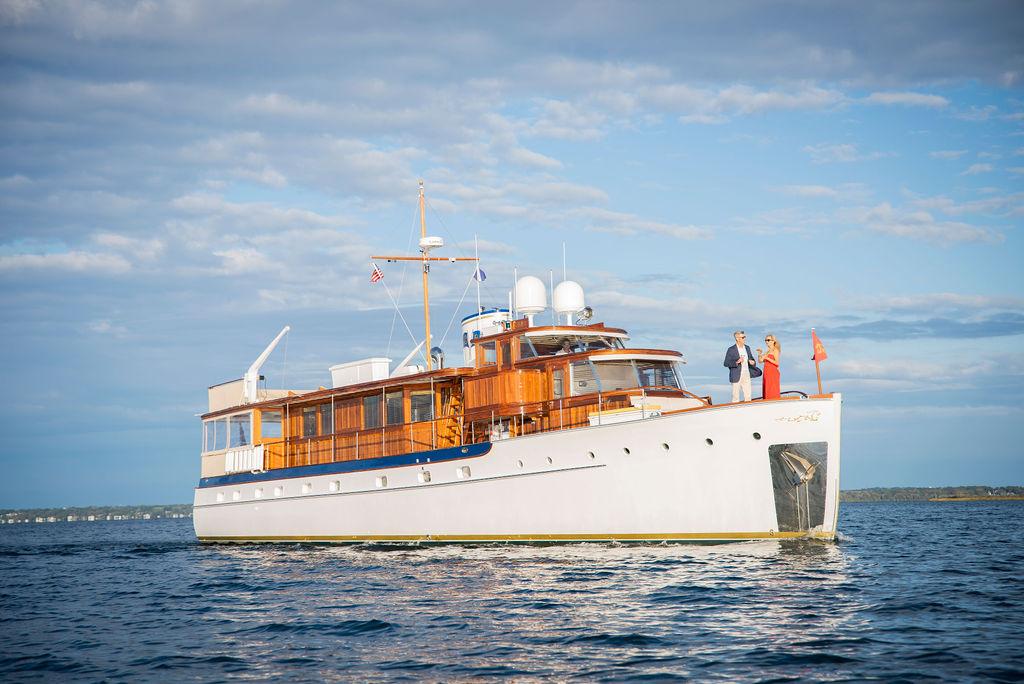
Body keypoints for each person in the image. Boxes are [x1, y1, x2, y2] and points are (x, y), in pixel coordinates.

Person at [723, 331, 760, 402]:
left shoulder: (747, 348)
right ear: (737, 338)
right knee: (735, 397)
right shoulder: (731, 349)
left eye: (744, 337)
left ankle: (748, 411)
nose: (744, 339)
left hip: (747, 374)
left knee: (748, 396)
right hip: (736, 375)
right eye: (743, 337)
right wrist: (737, 362)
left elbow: (751, 359)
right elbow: (726, 363)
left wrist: (752, 362)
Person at [757, 334, 781, 400]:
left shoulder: (775, 350)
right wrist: (759, 354)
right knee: (767, 389)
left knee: (772, 389)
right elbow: (760, 361)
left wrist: (767, 358)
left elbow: (777, 363)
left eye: (768, 340)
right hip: (766, 372)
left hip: (772, 372)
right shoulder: (767, 351)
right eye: (766, 340)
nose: (766, 342)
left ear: (773, 341)